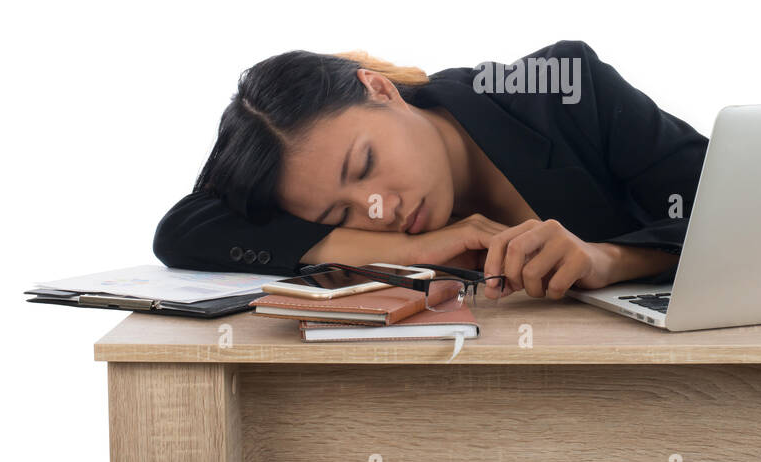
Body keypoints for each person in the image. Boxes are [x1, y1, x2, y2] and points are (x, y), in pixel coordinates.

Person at [152, 40, 707, 300]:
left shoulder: (563, 88)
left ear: (381, 88)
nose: (379, 208)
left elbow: (742, 206)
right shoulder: (368, 216)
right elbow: (185, 228)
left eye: (365, 163)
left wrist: (608, 259)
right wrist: (411, 252)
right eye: (341, 214)